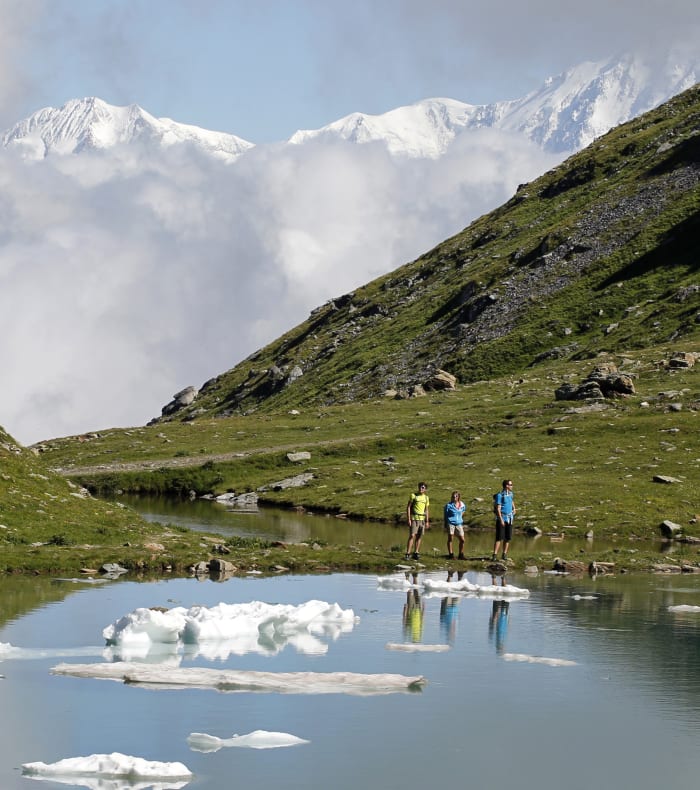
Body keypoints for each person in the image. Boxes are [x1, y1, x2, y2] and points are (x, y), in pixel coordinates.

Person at [492, 479, 516, 562]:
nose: (512, 486)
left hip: (510, 518)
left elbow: (512, 501)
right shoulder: (500, 495)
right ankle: (494, 555)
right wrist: (501, 519)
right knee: (499, 537)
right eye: (511, 484)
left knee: (507, 537)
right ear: (506, 486)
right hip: (502, 517)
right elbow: (498, 508)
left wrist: (514, 508)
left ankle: (504, 554)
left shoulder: (511, 494)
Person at [405, 482, 430, 560]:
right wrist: (409, 519)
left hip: (422, 519)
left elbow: (426, 510)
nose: (420, 488)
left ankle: (416, 552)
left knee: (419, 536)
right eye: (419, 487)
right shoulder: (413, 495)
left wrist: (427, 521)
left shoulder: (426, 498)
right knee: (412, 535)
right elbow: (408, 507)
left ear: (425, 489)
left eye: (422, 487)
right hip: (414, 518)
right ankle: (408, 553)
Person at [443, 490, 466, 560]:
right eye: (453, 496)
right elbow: (445, 515)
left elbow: (463, 510)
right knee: (450, 538)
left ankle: (461, 554)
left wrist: (460, 517)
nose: (454, 498)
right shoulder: (448, 505)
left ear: (458, 497)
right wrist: (446, 524)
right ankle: (451, 554)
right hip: (451, 523)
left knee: (462, 540)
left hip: (459, 524)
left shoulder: (462, 504)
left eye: (456, 496)